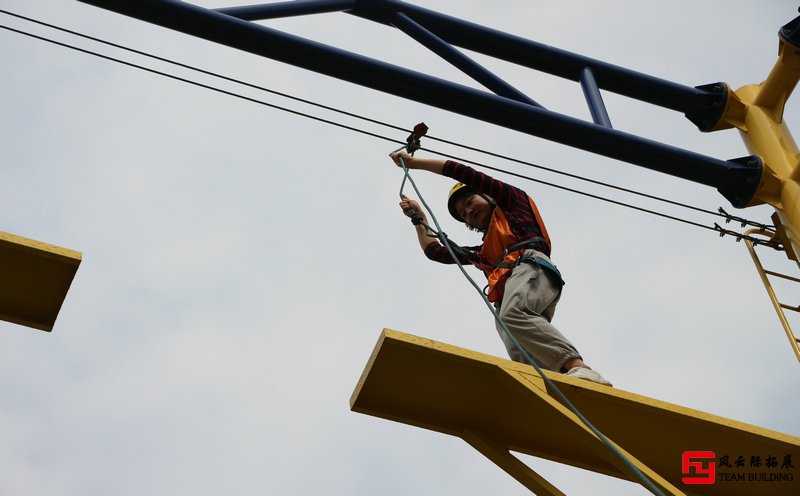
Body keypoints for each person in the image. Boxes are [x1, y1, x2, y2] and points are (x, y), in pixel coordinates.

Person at [391, 151, 612, 386]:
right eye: (463, 214)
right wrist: (419, 219)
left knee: (512, 314)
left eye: (469, 203)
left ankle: (577, 367)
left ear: (486, 195)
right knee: (516, 338)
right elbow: (435, 252)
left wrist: (416, 164)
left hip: (531, 268)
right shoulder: (485, 252)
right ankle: (553, 384)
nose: (468, 212)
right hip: (515, 285)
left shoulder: (513, 203)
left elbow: (463, 172)